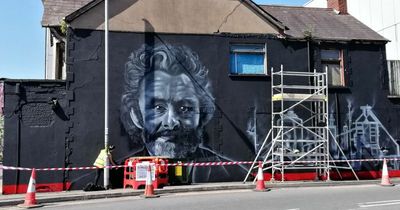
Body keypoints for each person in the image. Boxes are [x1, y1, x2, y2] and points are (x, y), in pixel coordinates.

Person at [120, 43, 247, 182]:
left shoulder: (229, 172)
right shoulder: (120, 171)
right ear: (135, 115)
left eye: (185, 108)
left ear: (202, 114)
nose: (171, 122)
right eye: (158, 108)